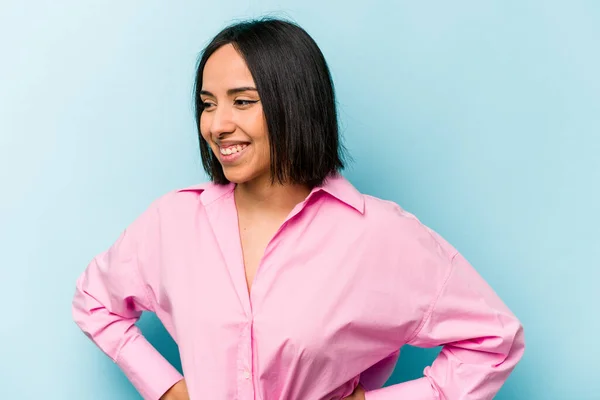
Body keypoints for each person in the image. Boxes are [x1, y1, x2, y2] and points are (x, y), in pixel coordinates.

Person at [71, 17, 525, 400]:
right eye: (208, 105)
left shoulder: (378, 235)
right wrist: (166, 387)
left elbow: (494, 340)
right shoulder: (172, 223)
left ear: (294, 105)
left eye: (243, 102)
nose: (217, 124)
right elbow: (94, 301)